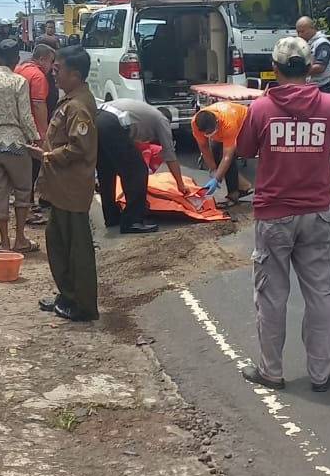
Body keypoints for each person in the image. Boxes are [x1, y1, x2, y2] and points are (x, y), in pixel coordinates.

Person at [236, 36, 330, 393]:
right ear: (309, 65)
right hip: (316, 213)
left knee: (271, 296)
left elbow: (246, 150)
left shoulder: (262, 108)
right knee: (320, 295)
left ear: (276, 67)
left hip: (274, 215)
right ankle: (320, 373)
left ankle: (272, 371)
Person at [30, 46, 99, 322]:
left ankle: (82, 304)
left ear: (76, 75)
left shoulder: (78, 106)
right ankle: (67, 295)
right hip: (61, 188)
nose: (54, 75)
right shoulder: (70, 100)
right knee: (58, 244)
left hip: (72, 189)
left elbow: (79, 147)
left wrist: (47, 156)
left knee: (76, 249)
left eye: (59, 71)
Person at [0, 39, 41, 254]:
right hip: (15, 142)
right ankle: (20, 238)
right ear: (15, 59)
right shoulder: (19, 82)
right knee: (23, 190)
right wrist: (36, 139)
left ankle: (4, 243)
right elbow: (25, 116)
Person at [97, 99, 189, 234]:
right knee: (137, 171)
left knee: (107, 171)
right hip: (112, 122)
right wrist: (180, 184)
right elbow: (170, 155)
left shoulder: (144, 115)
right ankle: (132, 221)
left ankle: (112, 217)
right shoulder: (161, 120)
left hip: (97, 118)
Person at [15, 43, 57, 225]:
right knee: (32, 169)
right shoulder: (38, 76)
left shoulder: (19, 69)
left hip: (18, 125)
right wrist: (43, 132)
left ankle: (25, 203)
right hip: (32, 128)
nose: (52, 67)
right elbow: (39, 105)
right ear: (42, 59)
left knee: (23, 169)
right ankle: (29, 206)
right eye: (51, 61)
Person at [192, 101, 251, 208]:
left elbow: (227, 156)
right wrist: (213, 169)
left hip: (245, 125)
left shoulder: (228, 121)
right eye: (206, 133)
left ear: (217, 122)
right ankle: (243, 186)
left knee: (227, 159)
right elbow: (204, 148)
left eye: (210, 132)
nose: (208, 135)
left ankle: (233, 195)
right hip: (223, 131)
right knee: (216, 158)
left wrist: (217, 179)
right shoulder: (196, 123)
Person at [296, 16, 330, 92]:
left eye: (302, 31)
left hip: (321, 87)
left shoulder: (322, 43)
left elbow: (320, 67)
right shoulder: (308, 43)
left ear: (312, 28)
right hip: (310, 86)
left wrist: (297, 71)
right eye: (298, 32)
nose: (299, 35)